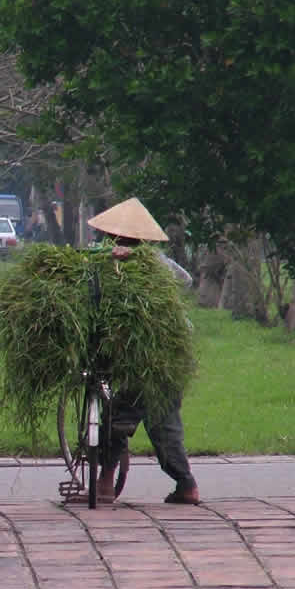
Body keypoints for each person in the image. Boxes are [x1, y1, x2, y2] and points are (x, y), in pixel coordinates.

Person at [85, 197, 200, 506]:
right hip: (171, 351)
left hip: (150, 351)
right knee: (165, 419)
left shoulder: (124, 263)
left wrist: (132, 262)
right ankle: (186, 484)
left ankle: (106, 482)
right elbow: (186, 281)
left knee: (119, 415)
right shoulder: (127, 261)